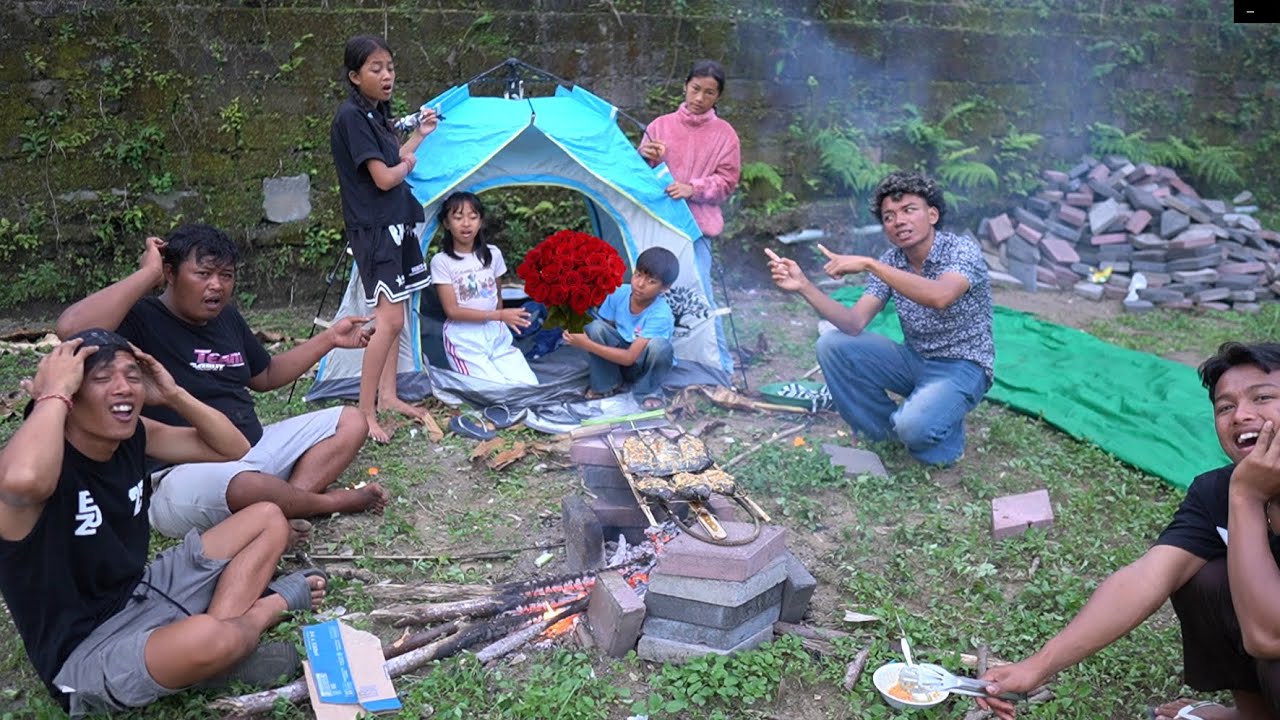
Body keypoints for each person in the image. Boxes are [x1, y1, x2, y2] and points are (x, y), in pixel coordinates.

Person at [0, 329, 326, 716]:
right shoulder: (32, 471)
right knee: (206, 636)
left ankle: (212, 655)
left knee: (268, 517)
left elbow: (232, 447)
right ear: (70, 394)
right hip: (85, 653)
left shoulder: (133, 436)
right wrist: (50, 393)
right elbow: (22, 482)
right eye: (102, 379)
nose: (123, 388)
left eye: (132, 376)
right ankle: (262, 612)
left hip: (142, 594)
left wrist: (172, 393)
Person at [975, 342, 1280, 720]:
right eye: (1225, 407)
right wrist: (1037, 666)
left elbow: (1269, 636)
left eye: (1263, 397)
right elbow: (1145, 578)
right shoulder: (1217, 491)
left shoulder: (1241, 491)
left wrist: (1248, 497)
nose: (1240, 416)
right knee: (1204, 578)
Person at [55, 224, 388, 539]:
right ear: (170, 274)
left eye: (225, 275)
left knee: (351, 421)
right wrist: (147, 274)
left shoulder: (227, 317)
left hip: (251, 448)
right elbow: (71, 330)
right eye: (203, 274)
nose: (217, 285)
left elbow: (267, 375)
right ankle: (323, 503)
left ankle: (288, 506)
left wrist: (329, 339)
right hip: (182, 471)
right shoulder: (140, 318)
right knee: (247, 486)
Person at [766, 170, 993, 466]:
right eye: (888, 217)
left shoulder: (961, 250)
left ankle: (932, 422)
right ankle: (883, 435)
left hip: (962, 366)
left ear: (932, 214)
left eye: (909, 210)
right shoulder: (891, 261)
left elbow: (941, 296)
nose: (899, 221)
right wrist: (804, 286)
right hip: (915, 360)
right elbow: (853, 322)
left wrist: (869, 264)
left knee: (917, 430)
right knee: (832, 344)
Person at [331, 34, 439, 443]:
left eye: (390, 67)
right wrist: (409, 162)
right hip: (375, 227)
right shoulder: (351, 117)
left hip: (397, 222)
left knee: (397, 315)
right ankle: (365, 411)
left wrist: (420, 136)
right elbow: (386, 176)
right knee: (388, 318)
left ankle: (389, 395)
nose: (387, 75)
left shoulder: (375, 116)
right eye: (376, 69)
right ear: (355, 76)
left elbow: (394, 159)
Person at [637, 59, 740, 372]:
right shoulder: (660, 126)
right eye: (695, 89)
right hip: (659, 225)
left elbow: (727, 183)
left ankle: (715, 364)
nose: (699, 98)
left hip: (697, 229)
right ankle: (650, 359)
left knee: (697, 297)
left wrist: (691, 188)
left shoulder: (725, 134)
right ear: (685, 86)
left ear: (717, 97)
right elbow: (636, 178)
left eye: (709, 93)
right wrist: (644, 158)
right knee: (649, 292)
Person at [429, 191, 537, 386]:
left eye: (473, 216)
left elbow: (497, 296)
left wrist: (498, 321)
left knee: (529, 386)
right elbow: (452, 311)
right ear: (446, 223)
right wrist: (499, 316)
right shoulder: (441, 261)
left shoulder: (493, 254)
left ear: (480, 221)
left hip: (494, 333)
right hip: (464, 338)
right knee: (494, 392)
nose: (466, 223)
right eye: (458, 217)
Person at [563, 247, 678, 410]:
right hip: (620, 360)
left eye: (651, 281)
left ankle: (647, 391)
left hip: (641, 365)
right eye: (638, 275)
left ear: (664, 287)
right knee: (595, 326)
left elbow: (630, 357)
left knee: (660, 346)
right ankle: (608, 384)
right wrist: (580, 334)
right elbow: (605, 329)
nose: (640, 284)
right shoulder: (619, 293)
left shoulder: (661, 314)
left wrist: (585, 344)